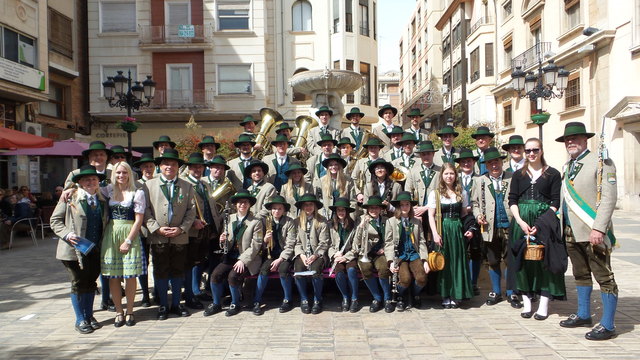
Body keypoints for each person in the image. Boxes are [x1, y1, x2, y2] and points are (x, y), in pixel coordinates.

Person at [556, 122, 619, 340]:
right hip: (572, 232)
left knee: (604, 276)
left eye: (575, 138)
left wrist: (599, 228)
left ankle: (608, 324)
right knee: (580, 274)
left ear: (585, 140)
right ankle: (583, 314)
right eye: (567, 140)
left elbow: (609, 199)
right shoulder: (568, 166)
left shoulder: (602, 162)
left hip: (593, 232)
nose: (571, 142)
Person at [508, 138, 565, 320]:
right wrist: (520, 221)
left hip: (545, 221)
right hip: (522, 221)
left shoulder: (553, 174)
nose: (531, 154)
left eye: (535, 150)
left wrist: (541, 223)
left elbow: (555, 202)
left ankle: (544, 304)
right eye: (528, 151)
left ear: (541, 151)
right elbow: (512, 200)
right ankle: (526, 302)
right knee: (522, 262)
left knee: (545, 262)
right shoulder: (518, 175)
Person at [50, 165, 109, 334]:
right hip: (72, 250)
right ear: (80, 183)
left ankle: (89, 315)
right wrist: (67, 234)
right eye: (86, 179)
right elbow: (55, 221)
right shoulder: (69, 198)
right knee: (78, 282)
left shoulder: (102, 201)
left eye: (94, 179)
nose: (90, 182)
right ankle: (80, 318)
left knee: (90, 282)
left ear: (98, 182)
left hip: (95, 249)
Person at [142, 148, 196, 320]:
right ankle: (163, 305)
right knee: (160, 270)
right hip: (158, 236)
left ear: (178, 167)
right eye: (166, 164)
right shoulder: (149, 185)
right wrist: (156, 228)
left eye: (173, 164)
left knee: (178, 270)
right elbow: (145, 210)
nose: (170, 167)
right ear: (160, 166)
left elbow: (191, 210)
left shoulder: (187, 186)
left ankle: (176, 304)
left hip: (180, 236)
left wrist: (181, 228)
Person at [470, 147, 520, 308]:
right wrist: (478, 215)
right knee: (492, 259)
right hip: (489, 226)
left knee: (510, 259)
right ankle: (496, 291)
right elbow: (475, 203)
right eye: (490, 163)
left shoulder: (512, 178)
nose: (494, 165)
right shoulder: (479, 180)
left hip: (509, 224)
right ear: (486, 164)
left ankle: (512, 292)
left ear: (501, 162)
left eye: (496, 161)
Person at [100, 162, 145, 327]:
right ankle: (119, 311)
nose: (121, 175)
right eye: (118, 173)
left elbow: (139, 220)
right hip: (111, 233)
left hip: (129, 232)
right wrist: (69, 190)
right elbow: (87, 188)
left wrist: (128, 240)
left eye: (124, 172)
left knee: (130, 275)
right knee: (114, 275)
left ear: (129, 174)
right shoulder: (108, 190)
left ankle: (130, 311)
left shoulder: (137, 192)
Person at [205, 189, 263, 317]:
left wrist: (243, 260)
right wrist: (222, 240)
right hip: (230, 256)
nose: (242, 204)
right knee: (215, 275)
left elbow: (256, 245)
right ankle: (216, 303)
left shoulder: (256, 221)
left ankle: (235, 303)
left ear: (249, 204)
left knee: (233, 276)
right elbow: (226, 241)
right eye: (240, 202)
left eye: (245, 202)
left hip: (248, 259)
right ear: (235, 205)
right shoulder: (229, 218)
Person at [428, 163, 475, 309]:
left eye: (452, 174)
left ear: (456, 175)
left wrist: (468, 229)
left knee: (457, 261)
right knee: (444, 262)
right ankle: (445, 294)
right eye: (446, 174)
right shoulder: (435, 193)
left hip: (456, 229)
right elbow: (430, 215)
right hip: (442, 229)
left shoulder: (462, 193)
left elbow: (464, 214)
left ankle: (457, 294)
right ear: (442, 175)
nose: (449, 176)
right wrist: (435, 234)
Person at [181, 153, 218, 310]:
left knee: (200, 260)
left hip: (206, 228)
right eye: (195, 166)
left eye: (200, 166)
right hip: (193, 229)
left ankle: (196, 289)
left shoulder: (205, 184)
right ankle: (191, 292)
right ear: (189, 168)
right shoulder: (184, 184)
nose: (198, 169)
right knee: (190, 262)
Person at [253, 195, 297, 314]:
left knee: (283, 269)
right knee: (264, 270)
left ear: (284, 210)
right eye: (274, 208)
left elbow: (291, 244)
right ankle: (256, 300)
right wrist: (265, 240)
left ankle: (288, 299)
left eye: (279, 209)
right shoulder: (264, 221)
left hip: (284, 255)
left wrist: (281, 259)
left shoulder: (290, 222)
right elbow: (258, 242)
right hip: (270, 254)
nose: (276, 211)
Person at [386, 191, 430, 311]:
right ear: (398, 207)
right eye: (402, 205)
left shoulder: (417, 222)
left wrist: (425, 260)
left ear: (410, 206)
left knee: (422, 278)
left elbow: (421, 241)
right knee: (405, 279)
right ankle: (401, 295)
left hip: (414, 254)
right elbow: (388, 243)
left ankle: (415, 294)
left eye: (407, 204)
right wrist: (390, 262)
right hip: (400, 255)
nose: (404, 207)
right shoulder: (391, 221)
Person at [354, 196, 394, 312]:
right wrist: (361, 226)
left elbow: (390, 239)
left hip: (381, 252)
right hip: (366, 252)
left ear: (381, 209)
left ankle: (387, 298)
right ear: (367, 209)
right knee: (365, 268)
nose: (374, 210)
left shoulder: (386, 221)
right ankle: (377, 297)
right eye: (371, 208)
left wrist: (384, 249)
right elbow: (357, 241)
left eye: (376, 208)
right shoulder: (362, 219)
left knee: (383, 268)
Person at [292, 193, 329, 314]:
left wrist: (315, 255)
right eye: (306, 205)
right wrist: (301, 255)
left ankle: (317, 299)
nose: (308, 207)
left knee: (315, 270)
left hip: (317, 254)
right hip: (303, 254)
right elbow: (296, 242)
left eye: (311, 205)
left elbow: (324, 242)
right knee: (298, 270)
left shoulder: (322, 221)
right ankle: (304, 299)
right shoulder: (297, 222)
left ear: (315, 206)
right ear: (302, 207)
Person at [455, 148, 482, 297]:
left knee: (475, 250)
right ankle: (461, 280)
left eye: (469, 161)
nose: (466, 163)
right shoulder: (454, 178)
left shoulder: (479, 178)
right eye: (463, 161)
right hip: (458, 217)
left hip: (475, 217)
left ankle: (473, 282)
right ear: (459, 164)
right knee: (460, 249)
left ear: (473, 162)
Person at [328, 198, 360, 312]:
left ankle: (354, 298)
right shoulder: (331, 225)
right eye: (338, 210)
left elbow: (356, 247)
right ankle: (345, 297)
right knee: (339, 272)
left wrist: (346, 257)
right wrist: (334, 254)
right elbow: (328, 244)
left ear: (347, 211)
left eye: (343, 210)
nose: (341, 212)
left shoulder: (354, 225)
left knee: (351, 270)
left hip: (350, 255)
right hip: (337, 255)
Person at [133, 153, 156, 307]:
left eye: (150, 166)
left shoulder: (158, 181)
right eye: (145, 166)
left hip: (157, 227)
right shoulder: (135, 184)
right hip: (141, 229)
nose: (148, 169)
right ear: (141, 168)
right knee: (143, 262)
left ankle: (158, 291)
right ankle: (145, 294)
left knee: (157, 260)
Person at [312, 154, 356, 220]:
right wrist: (321, 215)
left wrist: (351, 217)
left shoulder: (348, 180)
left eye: (336, 164)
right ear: (327, 167)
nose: (333, 167)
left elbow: (353, 201)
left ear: (340, 166)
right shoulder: (321, 181)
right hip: (326, 217)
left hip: (344, 217)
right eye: (331, 165)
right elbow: (318, 201)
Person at [353, 137, 386, 203]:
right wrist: (358, 193)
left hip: (379, 195)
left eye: (375, 147)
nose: (373, 149)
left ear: (379, 149)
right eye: (371, 148)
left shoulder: (384, 162)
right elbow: (354, 178)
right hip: (363, 196)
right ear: (367, 149)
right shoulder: (360, 162)